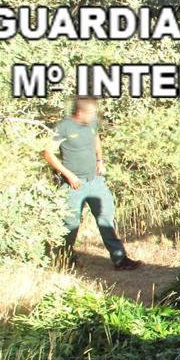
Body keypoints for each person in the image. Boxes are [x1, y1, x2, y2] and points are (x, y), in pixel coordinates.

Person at [42, 96, 141, 270]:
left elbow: (96, 140)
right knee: (70, 224)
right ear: (81, 112)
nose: (94, 116)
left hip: (95, 181)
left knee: (106, 218)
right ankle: (64, 259)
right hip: (74, 184)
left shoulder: (91, 124)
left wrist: (99, 161)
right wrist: (68, 175)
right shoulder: (63, 127)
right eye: (92, 113)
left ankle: (120, 259)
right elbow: (48, 153)